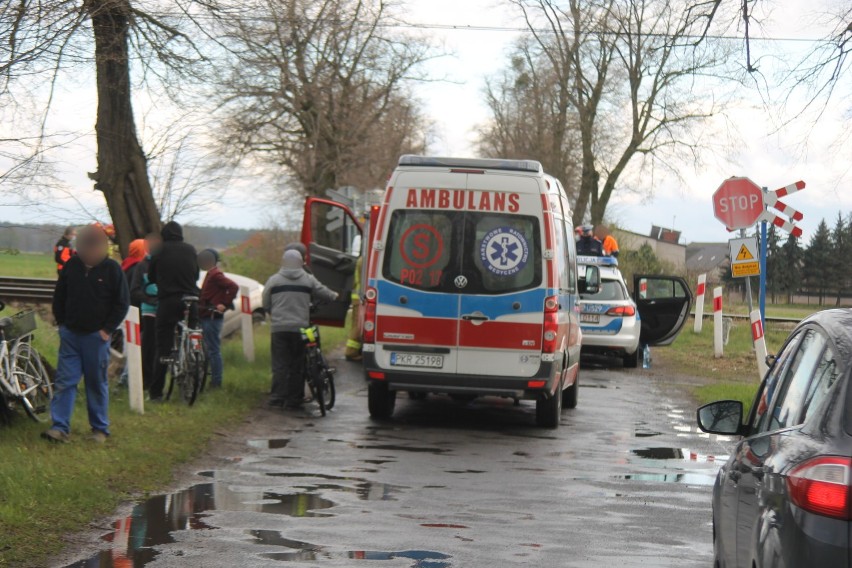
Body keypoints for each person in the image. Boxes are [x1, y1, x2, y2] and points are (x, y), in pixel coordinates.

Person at [44, 224, 129, 443]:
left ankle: (99, 429)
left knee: (96, 383)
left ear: (102, 248)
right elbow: (60, 296)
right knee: (65, 381)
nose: (89, 255)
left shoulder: (112, 270)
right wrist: (61, 324)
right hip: (71, 334)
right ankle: (59, 427)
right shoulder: (71, 265)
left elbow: (122, 303)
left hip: (96, 337)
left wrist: (106, 330)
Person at [263, 249, 337, 409]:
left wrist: (273, 312)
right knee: (298, 363)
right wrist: (335, 296)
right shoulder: (307, 279)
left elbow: (265, 302)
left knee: (280, 364)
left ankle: (277, 397)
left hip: (279, 328)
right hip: (300, 329)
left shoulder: (273, 280)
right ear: (300, 262)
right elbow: (325, 293)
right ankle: (294, 399)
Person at [148, 221, 199, 371]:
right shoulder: (191, 250)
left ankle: (157, 391)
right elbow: (196, 275)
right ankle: (196, 355)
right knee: (192, 329)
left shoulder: (159, 250)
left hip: (168, 300)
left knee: (163, 339)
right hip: (191, 299)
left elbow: (151, 276)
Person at [130, 232, 167, 400]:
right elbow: (135, 290)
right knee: (149, 346)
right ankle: (147, 381)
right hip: (149, 310)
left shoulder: (167, 263)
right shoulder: (141, 266)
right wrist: (149, 299)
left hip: (165, 308)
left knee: (164, 346)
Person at [197, 249, 238, 389]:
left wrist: (224, 303)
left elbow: (233, 286)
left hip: (212, 317)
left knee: (213, 350)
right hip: (207, 315)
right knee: (210, 349)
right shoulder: (211, 274)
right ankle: (213, 380)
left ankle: (216, 382)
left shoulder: (215, 274)